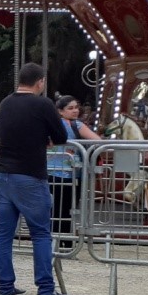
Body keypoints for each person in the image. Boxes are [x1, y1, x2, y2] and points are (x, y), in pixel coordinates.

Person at [0, 63, 69, 295]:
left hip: (2, 173)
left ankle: (5, 286)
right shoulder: (43, 104)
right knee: (40, 233)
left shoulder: (5, 103)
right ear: (41, 82)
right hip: (29, 174)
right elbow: (61, 137)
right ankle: (45, 288)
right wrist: (44, 138)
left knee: (4, 233)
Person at [48, 95, 100, 252]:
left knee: (56, 208)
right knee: (67, 208)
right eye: (70, 108)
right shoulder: (76, 125)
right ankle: (66, 240)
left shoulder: (50, 125)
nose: (75, 110)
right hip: (69, 172)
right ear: (60, 111)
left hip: (53, 170)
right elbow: (97, 140)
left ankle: (56, 240)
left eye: (76, 107)